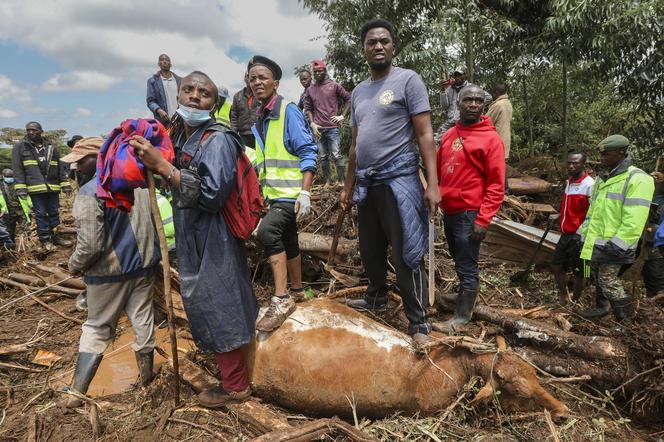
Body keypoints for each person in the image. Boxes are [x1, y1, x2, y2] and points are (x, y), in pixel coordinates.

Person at [132, 71, 258, 407]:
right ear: (178, 96)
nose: (194, 97)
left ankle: (235, 386)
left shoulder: (216, 139)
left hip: (214, 236)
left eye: (204, 93)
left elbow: (214, 194)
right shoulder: (179, 136)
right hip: (193, 234)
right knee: (208, 299)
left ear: (214, 104)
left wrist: (165, 168)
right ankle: (235, 371)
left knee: (219, 301)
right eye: (188, 90)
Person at [341, 19, 440, 345]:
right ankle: (376, 298)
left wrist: (433, 183)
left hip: (400, 180)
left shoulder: (407, 80)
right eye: (371, 42)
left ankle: (419, 321)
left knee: (406, 251)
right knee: (370, 248)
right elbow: (355, 144)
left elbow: (425, 134)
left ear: (393, 46)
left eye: (384, 41)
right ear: (364, 49)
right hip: (368, 184)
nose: (378, 46)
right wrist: (348, 185)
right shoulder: (358, 91)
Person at [60, 137, 160, 408]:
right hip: (144, 268)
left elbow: (90, 244)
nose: (76, 168)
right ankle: (147, 381)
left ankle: (76, 393)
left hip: (108, 273)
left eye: (81, 162)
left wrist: (74, 265)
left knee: (97, 328)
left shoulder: (91, 191)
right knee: (142, 321)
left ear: (98, 158)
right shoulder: (139, 183)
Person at [247, 56, 318, 332]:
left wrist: (306, 192)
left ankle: (282, 298)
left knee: (267, 233)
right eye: (253, 78)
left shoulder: (287, 111)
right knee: (289, 238)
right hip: (277, 195)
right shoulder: (262, 117)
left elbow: (307, 150)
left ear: (275, 83)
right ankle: (298, 289)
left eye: (262, 77)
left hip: (291, 195)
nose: (257, 82)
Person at [436, 85, 505, 328]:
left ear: (483, 105)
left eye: (478, 100)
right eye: (468, 100)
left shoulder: (491, 138)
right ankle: (463, 298)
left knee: (467, 264)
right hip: (450, 210)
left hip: (470, 213)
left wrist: (483, 219)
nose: (473, 104)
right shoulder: (449, 134)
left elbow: (497, 184)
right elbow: (438, 171)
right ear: (459, 103)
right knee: (459, 258)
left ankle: (462, 316)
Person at [578, 135, 654, 320]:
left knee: (608, 280)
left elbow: (634, 219)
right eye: (601, 154)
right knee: (595, 275)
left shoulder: (638, 179)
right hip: (596, 241)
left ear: (621, 153)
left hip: (616, 244)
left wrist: (619, 244)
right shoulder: (602, 179)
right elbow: (593, 211)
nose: (602, 159)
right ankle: (601, 308)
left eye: (607, 155)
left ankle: (626, 319)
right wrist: (582, 235)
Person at [12, 121, 72, 248]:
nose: (31, 132)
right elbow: (17, 168)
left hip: (52, 186)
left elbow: (60, 167)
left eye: (34, 130)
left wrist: (65, 184)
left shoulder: (51, 146)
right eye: (28, 130)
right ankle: (45, 239)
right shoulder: (20, 147)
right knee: (41, 213)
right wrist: (20, 188)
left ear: (41, 131)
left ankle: (56, 236)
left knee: (54, 212)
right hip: (35, 187)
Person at [549, 153, 594, 305]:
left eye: (575, 163)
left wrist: (581, 232)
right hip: (566, 233)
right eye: (568, 163)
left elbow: (593, 213)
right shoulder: (569, 181)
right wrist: (558, 216)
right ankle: (564, 296)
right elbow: (571, 208)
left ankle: (576, 300)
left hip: (580, 236)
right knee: (556, 265)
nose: (571, 166)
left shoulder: (590, 185)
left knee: (580, 272)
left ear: (583, 164)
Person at [303, 59, 351, 184]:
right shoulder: (310, 90)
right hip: (318, 129)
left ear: (325, 70)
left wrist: (342, 116)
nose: (318, 74)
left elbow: (349, 99)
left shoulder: (333, 85)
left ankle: (341, 182)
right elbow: (308, 109)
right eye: (315, 72)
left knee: (336, 155)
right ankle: (327, 182)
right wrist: (312, 123)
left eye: (320, 71)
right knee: (323, 157)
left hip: (332, 128)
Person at [439, 67, 492, 133]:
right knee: (438, 136)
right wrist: (443, 90)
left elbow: (489, 97)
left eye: (460, 75)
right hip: (451, 122)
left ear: (465, 76)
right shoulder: (449, 88)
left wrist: (474, 104)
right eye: (456, 75)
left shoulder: (471, 88)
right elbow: (444, 106)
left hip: (464, 121)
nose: (457, 77)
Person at [146, 54, 181, 126]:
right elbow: (150, 101)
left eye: (167, 60)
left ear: (170, 64)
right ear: (159, 64)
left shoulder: (180, 81)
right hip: (164, 121)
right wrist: (159, 110)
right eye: (162, 60)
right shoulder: (153, 81)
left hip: (180, 121)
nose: (165, 61)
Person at [0, 168, 32, 241]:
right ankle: (10, 246)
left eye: (11, 177)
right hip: (8, 212)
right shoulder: (1, 186)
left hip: (21, 209)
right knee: (9, 230)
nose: (9, 179)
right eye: (7, 177)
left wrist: (31, 206)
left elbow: (26, 196)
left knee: (26, 227)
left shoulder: (19, 183)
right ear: (3, 176)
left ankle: (29, 243)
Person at [231, 73, 260, 147]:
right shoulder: (237, 96)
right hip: (243, 135)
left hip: (258, 134)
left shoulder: (260, 94)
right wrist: (233, 134)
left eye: (252, 77)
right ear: (245, 79)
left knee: (259, 157)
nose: (249, 78)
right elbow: (234, 117)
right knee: (245, 156)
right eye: (248, 76)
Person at [485, 84, 513, 159]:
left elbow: (486, 122)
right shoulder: (508, 103)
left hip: (497, 140)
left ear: (496, 92)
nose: (492, 96)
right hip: (505, 139)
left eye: (492, 94)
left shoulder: (498, 105)